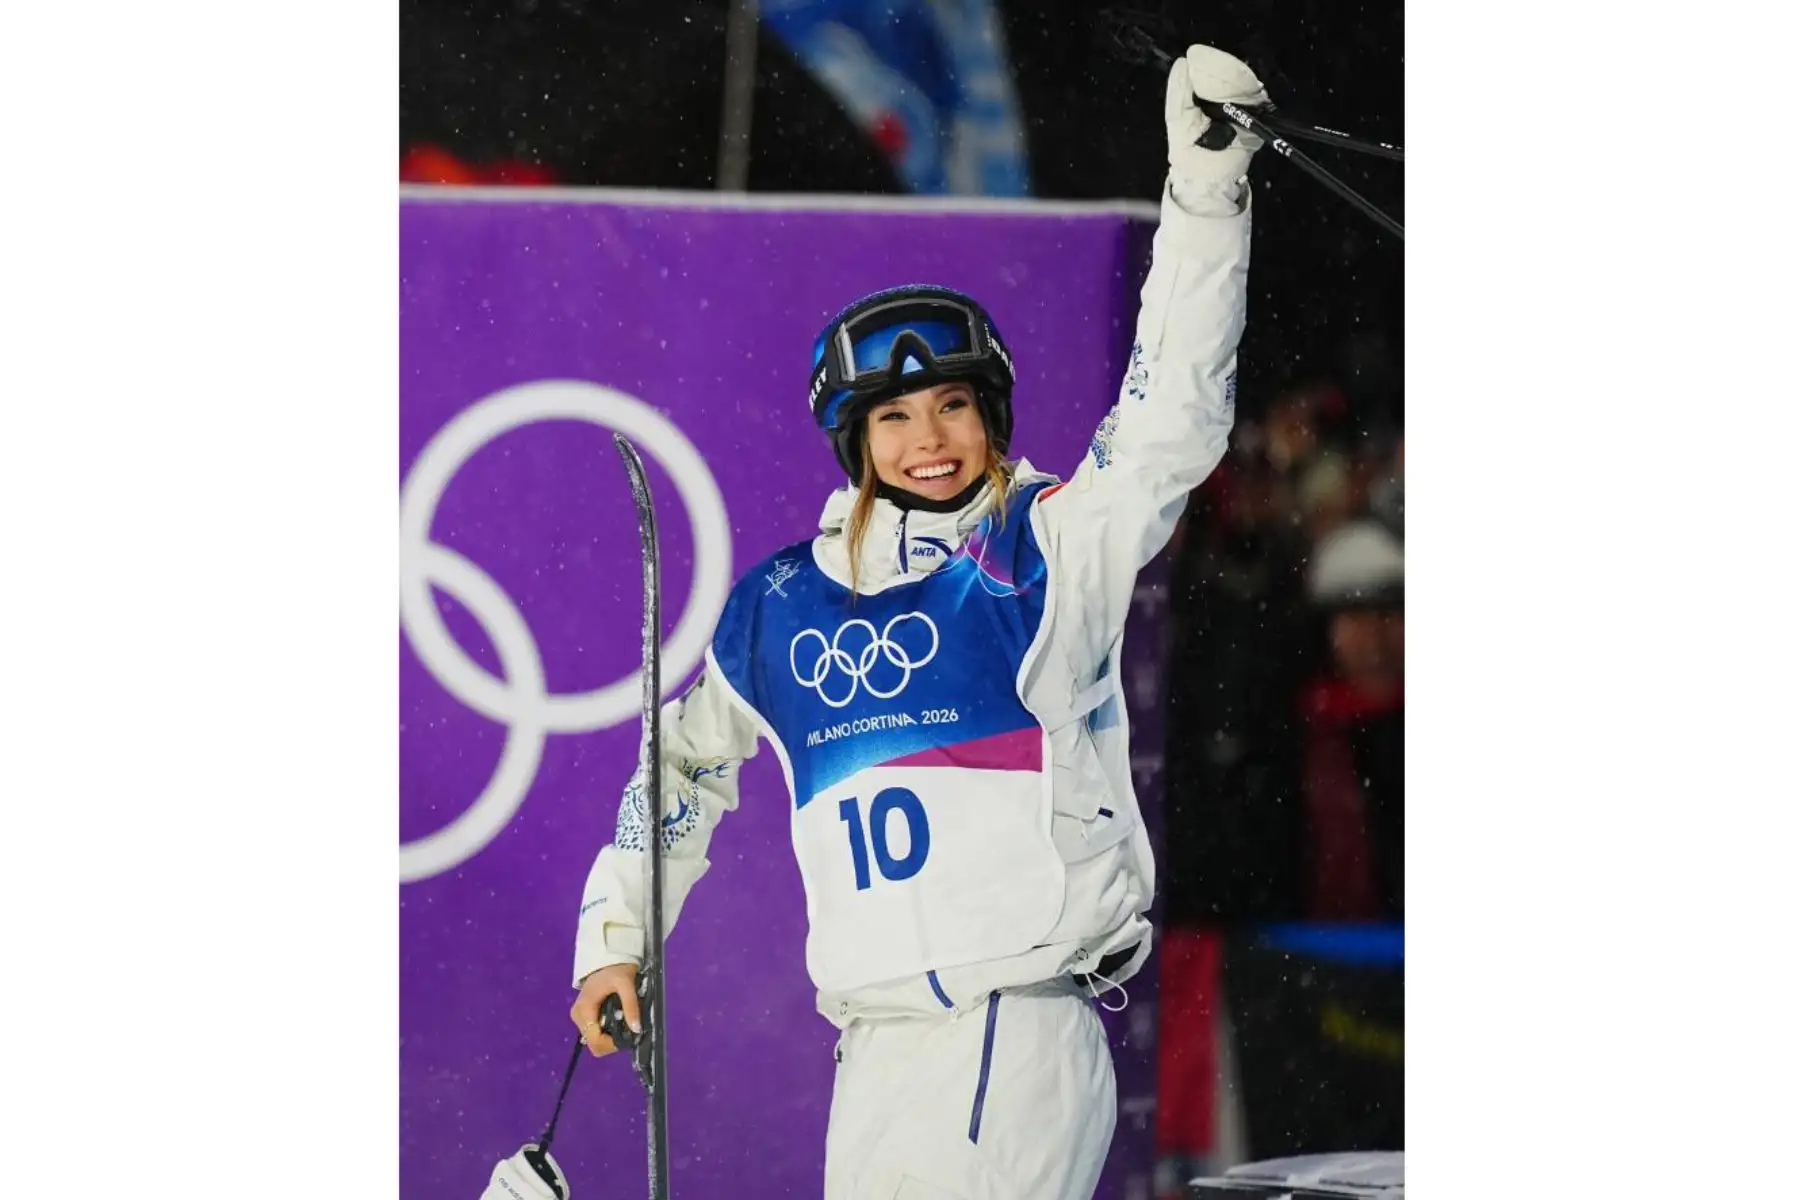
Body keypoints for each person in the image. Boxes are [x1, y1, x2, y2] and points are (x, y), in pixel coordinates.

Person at [565, 44, 1267, 1200]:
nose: (929, 438)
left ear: (993, 416)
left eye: (954, 405)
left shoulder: (1048, 548)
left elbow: (1166, 422)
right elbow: (678, 776)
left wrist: (1205, 192)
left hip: (1015, 1029)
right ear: (854, 439)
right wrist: (617, 938)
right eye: (893, 415)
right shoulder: (781, 607)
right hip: (878, 1052)